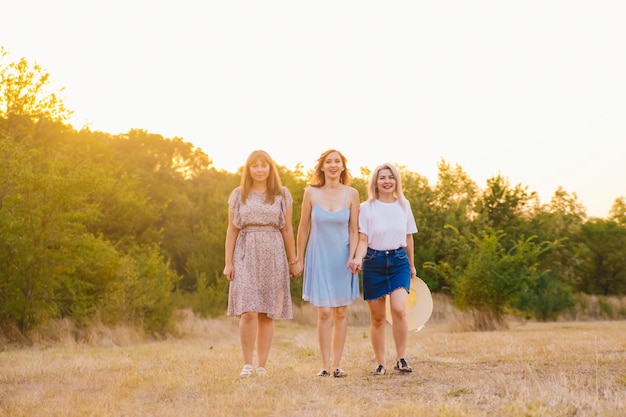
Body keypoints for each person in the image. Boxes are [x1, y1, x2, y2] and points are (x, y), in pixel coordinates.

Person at [223, 150, 299, 378]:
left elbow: (287, 228)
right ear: (248, 169)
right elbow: (232, 229)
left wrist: (293, 260)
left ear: (269, 168)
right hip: (245, 252)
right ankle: (247, 363)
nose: (259, 169)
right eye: (254, 166)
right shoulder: (238, 195)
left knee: (266, 312)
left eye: (263, 165)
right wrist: (228, 262)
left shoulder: (282, 195)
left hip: (273, 252)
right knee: (248, 311)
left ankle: (262, 365)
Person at [293, 149, 361, 378]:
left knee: (341, 312)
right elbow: (303, 228)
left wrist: (353, 257)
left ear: (343, 167)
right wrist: (298, 259)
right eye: (328, 162)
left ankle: (337, 365)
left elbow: (354, 230)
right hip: (319, 257)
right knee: (324, 312)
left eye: (337, 162)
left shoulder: (352, 194)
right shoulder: (311, 193)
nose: (333, 165)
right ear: (322, 167)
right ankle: (324, 365)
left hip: (342, 259)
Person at [348, 163, 418, 375]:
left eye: (391, 177)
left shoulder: (404, 206)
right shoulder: (366, 208)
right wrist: (357, 258)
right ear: (375, 183)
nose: (387, 181)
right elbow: (362, 240)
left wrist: (412, 265)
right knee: (377, 318)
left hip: (398, 261)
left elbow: (408, 238)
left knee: (398, 309)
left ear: (396, 181)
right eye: (382, 178)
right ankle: (380, 363)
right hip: (373, 262)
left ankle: (402, 358)